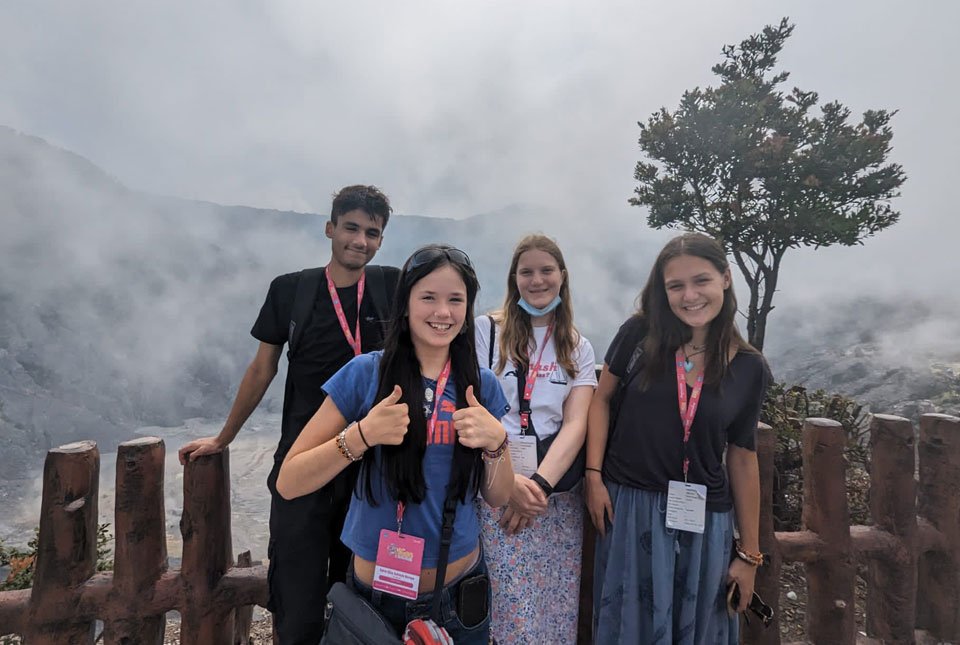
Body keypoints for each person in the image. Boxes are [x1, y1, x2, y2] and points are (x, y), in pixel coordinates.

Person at [177, 185, 399, 643]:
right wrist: (224, 438)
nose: (360, 240)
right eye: (351, 228)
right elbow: (262, 369)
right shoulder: (291, 291)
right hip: (304, 460)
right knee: (296, 595)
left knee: (365, 596)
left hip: (374, 465)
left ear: (381, 240)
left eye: (372, 233)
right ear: (329, 228)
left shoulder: (393, 286)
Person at [275, 244, 514, 644]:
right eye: (429, 298)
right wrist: (361, 435)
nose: (443, 313)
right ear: (405, 304)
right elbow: (290, 481)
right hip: (376, 601)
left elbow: (498, 495)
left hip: (459, 597)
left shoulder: (481, 384)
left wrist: (497, 443)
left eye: (456, 300)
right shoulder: (365, 374)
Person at [585, 233, 769, 645]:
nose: (690, 296)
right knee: (628, 628)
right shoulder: (638, 336)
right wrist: (594, 476)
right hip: (630, 506)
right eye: (675, 286)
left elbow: (742, 456)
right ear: (661, 290)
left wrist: (750, 556)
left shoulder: (749, 367)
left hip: (705, 522)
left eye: (701, 281)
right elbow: (601, 400)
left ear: (725, 279)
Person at [474, 234, 596, 644]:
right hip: (495, 488)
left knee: (554, 605)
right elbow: (475, 411)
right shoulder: (486, 333)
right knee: (506, 605)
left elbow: (576, 424)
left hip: (554, 500)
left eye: (546, 270)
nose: (537, 280)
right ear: (514, 278)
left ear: (562, 276)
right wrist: (509, 486)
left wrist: (537, 489)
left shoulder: (578, 348)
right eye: (527, 271)